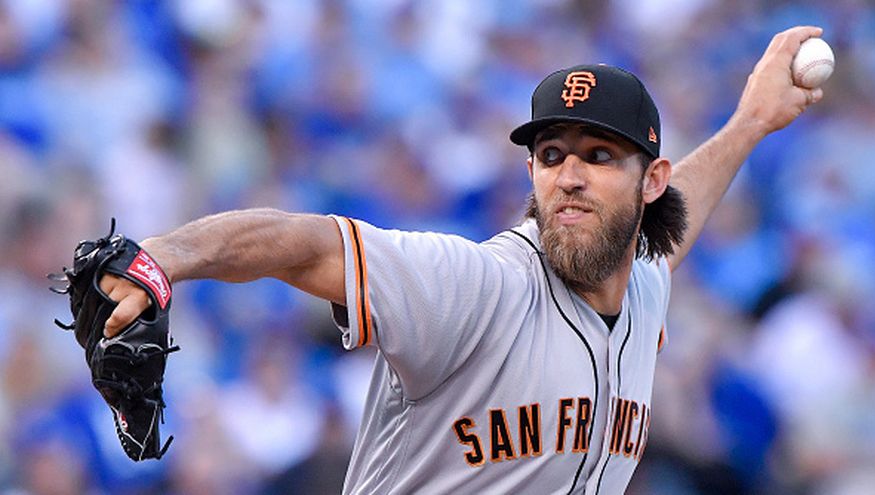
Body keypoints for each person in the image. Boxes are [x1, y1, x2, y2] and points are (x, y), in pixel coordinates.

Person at [97, 26, 824, 494]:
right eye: (551, 155)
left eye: (600, 155)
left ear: (650, 181)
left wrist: (752, 122)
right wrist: (163, 256)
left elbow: (672, 225)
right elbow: (306, 242)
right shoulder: (479, 284)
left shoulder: (642, 287)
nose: (570, 175)